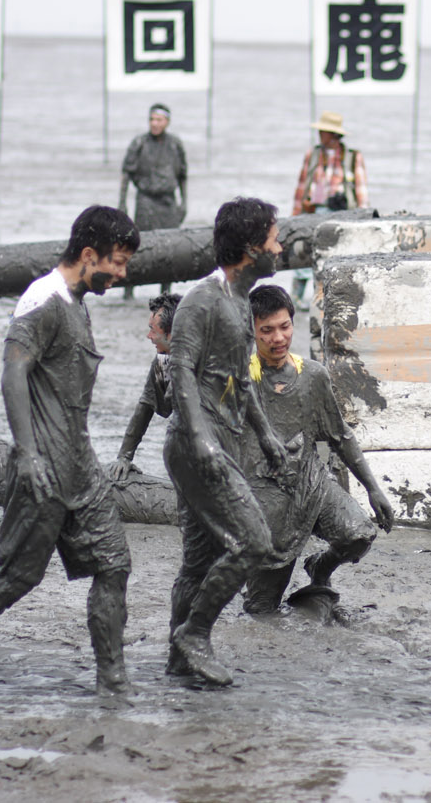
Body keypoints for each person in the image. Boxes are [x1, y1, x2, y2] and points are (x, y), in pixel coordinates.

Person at [0, 206, 140, 699]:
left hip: (81, 467)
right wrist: (30, 454)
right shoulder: (42, 299)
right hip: (42, 469)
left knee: (114, 564)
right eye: (118, 263)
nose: (122, 275)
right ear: (87, 255)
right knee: (16, 578)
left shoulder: (77, 301)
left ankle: (112, 679)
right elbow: (13, 374)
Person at [164, 197, 290, 686]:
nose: (280, 249)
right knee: (254, 542)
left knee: (197, 560)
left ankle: (178, 659)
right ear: (250, 248)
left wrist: (265, 434)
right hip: (197, 443)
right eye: (274, 239)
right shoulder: (204, 299)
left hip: (223, 438)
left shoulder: (241, 304)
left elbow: (239, 380)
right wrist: (200, 438)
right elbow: (180, 370)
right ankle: (195, 633)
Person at [239, 284, 395, 618]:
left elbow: (340, 435)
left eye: (284, 327)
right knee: (261, 610)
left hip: (311, 483)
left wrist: (373, 488)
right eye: (266, 330)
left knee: (358, 534)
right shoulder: (240, 380)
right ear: (251, 331)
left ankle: (319, 569)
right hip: (266, 497)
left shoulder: (312, 376)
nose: (278, 338)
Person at [289, 110, 369, 308]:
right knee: (304, 252)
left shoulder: (352, 157)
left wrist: (364, 216)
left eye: (324, 131)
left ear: (333, 135)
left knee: (334, 255)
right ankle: (297, 298)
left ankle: (327, 296)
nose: (320, 135)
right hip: (313, 211)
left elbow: (361, 188)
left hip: (340, 214)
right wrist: (296, 215)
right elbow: (302, 185)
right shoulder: (313, 155)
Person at [108, 292, 182, 480]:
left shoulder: (209, 359)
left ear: (172, 334)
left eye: (153, 330)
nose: (148, 336)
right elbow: (145, 406)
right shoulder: (163, 361)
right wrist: (124, 456)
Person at [120, 103, 187, 300]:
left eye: (159, 120)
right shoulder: (139, 143)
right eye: (152, 120)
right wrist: (122, 203)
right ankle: (128, 291)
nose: (155, 124)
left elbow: (183, 175)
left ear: (167, 122)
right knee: (139, 246)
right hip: (145, 201)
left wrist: (184, 203)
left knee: (169, 248)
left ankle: (165, 293)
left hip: (168, 202)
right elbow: (126, 173)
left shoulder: (175, 144)